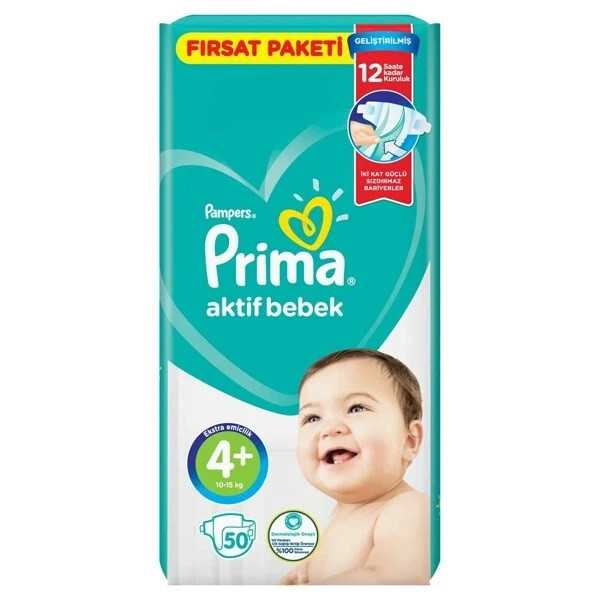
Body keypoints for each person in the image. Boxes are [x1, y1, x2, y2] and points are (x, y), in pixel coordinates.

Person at [281, 348, 429, 584]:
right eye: (312, 418)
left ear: (409, 440)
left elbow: (394, 579)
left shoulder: (409, 508)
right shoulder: (338, 516)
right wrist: (306, 572)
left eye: (356, 408)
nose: (330, 428)